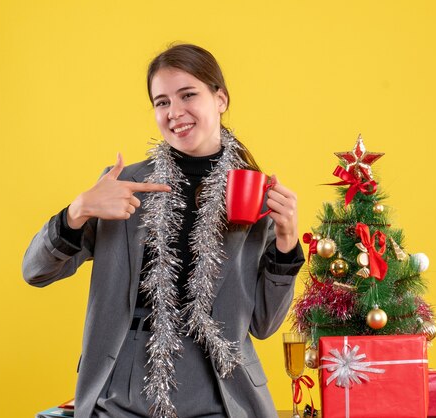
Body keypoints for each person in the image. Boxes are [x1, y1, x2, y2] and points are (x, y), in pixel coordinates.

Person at [22, 43, 304, 418]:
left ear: (220, 98)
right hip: (122, 391)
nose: (175, 112)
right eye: (161, 102)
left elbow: (264, 325)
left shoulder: (254, 193)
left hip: (221, 392)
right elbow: (35, 271)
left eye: (188, 95)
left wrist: (286, 243)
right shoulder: (123, 184)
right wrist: (79, 209)